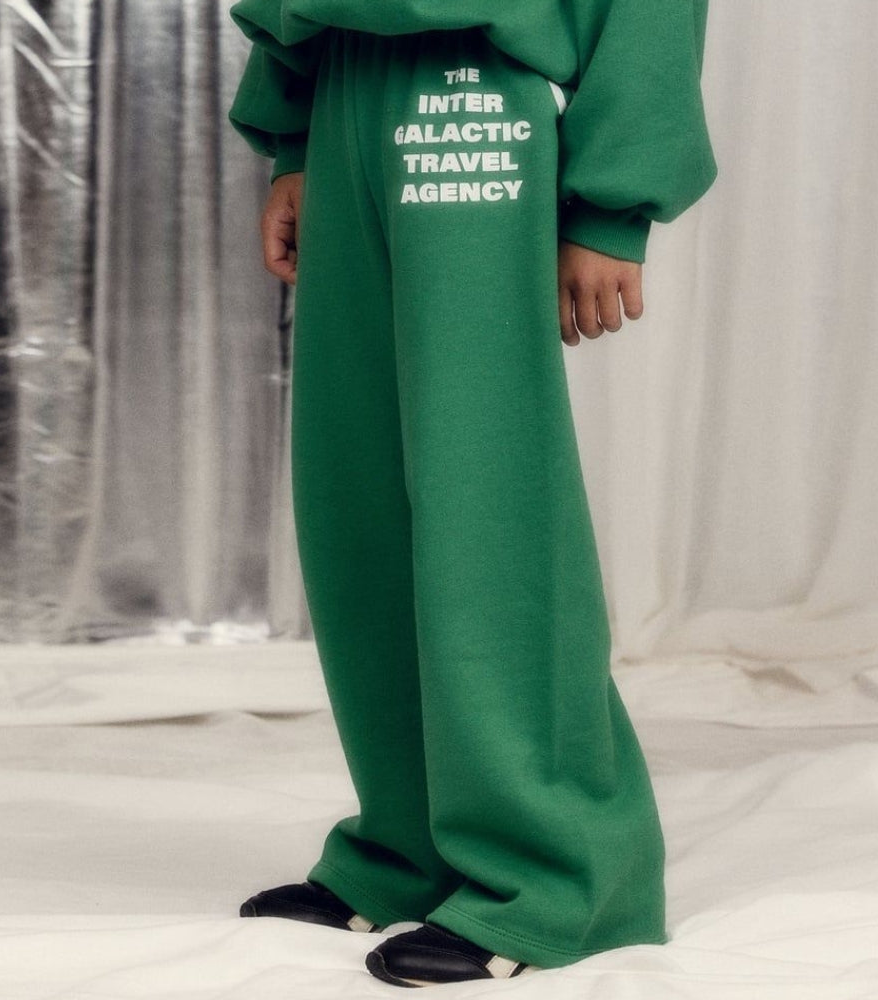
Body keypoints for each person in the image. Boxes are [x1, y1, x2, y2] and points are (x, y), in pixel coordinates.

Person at [228, 0, 717, 987]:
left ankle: (558, 870)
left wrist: (611, 202)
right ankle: (408, 847)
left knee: (486, 495)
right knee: (358, 491)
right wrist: (296, 136)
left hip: (478, 92)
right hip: (343, 83)